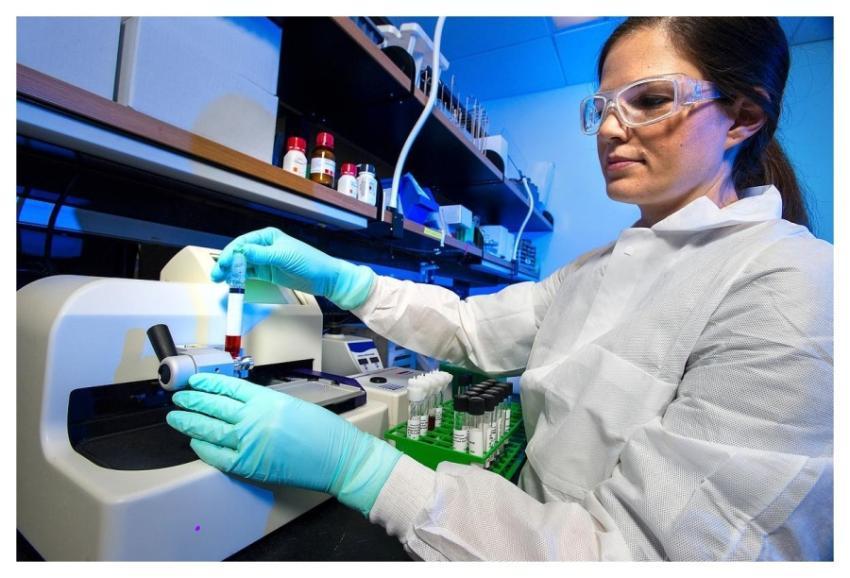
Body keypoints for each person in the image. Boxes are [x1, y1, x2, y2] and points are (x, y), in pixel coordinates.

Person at [166, 17, 833, 560]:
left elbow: (638, 557)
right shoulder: (601, 267)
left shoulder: (789, 287)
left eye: (650, 100)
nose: (608, 128)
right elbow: (469, 330)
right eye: (601, 106)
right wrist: (342, 278)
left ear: (743, 117)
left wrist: (363, 469)